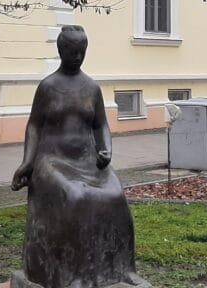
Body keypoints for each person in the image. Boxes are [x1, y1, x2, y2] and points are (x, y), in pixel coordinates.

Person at [11, 26, 146, 288]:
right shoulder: (48, 87)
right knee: (75, 197)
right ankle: (73, 274)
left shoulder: (91, 88)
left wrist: (105, 148)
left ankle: (121, 270)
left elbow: (100, 125)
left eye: (82, 52)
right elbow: (34, 126)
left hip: (87, 160)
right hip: (52, 160)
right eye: (72, 52)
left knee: (116, 195)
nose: (77, 57)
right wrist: (27, 162)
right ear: (61, 50)